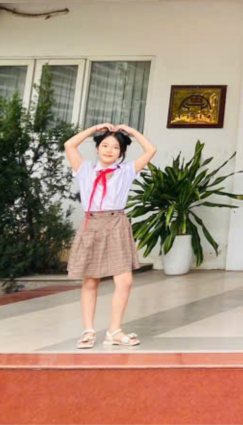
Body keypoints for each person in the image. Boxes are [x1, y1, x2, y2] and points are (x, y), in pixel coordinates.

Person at [63, 122, 157, 349]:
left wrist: (131, 132)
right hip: (92, 224)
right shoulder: (84, 169)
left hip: (116, 224)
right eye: (105, 145)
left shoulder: (126, 171)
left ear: (121, 153)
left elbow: (150, 150)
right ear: (97, 148)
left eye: (115, 148)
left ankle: (114, 331)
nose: (109, 150)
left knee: (125, 280)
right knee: (90, 280)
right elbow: (69, 145)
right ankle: (88, 330)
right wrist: (93, 129)